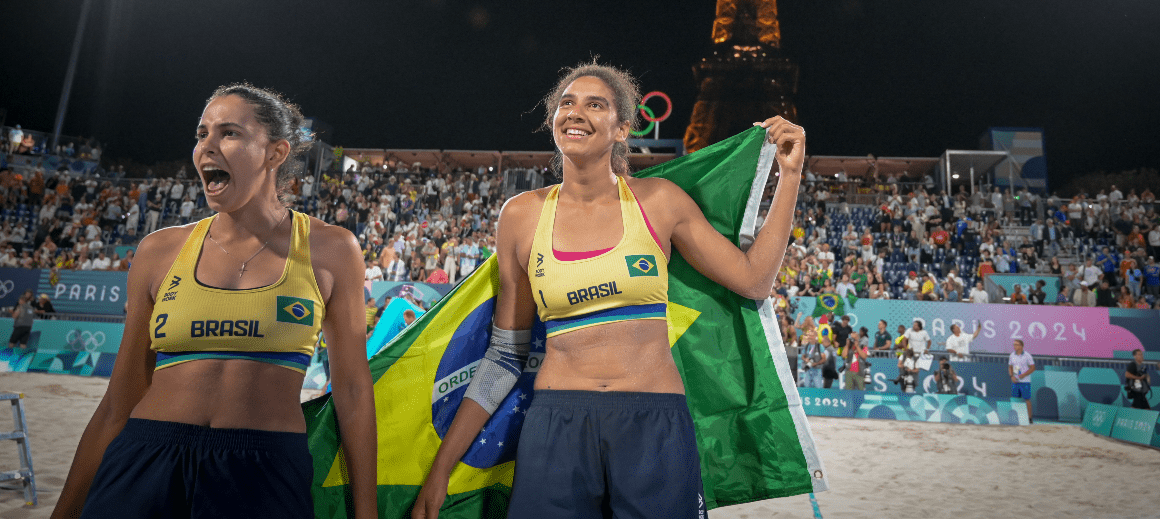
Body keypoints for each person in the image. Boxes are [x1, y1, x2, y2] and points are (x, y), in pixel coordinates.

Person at [411, 62, 806, 519]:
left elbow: (754, 278)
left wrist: (790, 176)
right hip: (556, 421)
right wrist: (441, 468)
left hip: (652, 420)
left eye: (594, 104)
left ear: (622, 129)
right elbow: (504, 354)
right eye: (566, 103)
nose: (576, 113)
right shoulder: (519, 217)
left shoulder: (659, 202)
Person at [53, 84, 377, 519]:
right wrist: (65, 510)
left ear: (275, 153)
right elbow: (119, 400)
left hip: (265, 471)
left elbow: (353, 393)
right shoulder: (159, 251)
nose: (207, 147)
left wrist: (366, 509)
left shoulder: (332, 249)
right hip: (145, 458)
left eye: (228, 133)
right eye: (201, 134)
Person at [1008, 339, 1035, 420]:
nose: (1014, 346)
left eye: (1016, 344)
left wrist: (1023, 375)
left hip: (1025, 381)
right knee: (1016, 400)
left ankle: (1029, 418)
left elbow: (1033, 368)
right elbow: (1011, 367)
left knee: (1027, 400)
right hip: (1016, 381)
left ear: (1021, 346)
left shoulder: (1027, 355)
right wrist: (1012, 376)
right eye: (1014, 344)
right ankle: (1018, 418)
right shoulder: (1012, 355)